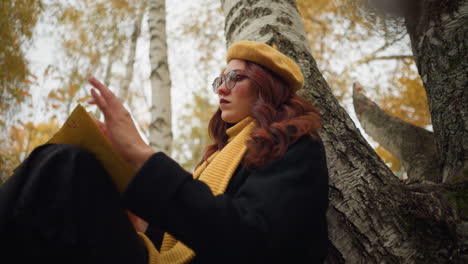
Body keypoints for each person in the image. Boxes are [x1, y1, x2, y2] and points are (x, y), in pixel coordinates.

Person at [0, 40, 329, 263]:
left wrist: (142, 155)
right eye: (219, 80)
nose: (222, 88)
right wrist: (138, 219)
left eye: (235, 77)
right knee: (63, 162)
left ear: (267, 85)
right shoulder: (214, 160)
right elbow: (176, 243)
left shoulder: (297, 147)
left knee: (65, 164)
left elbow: (247, 242)